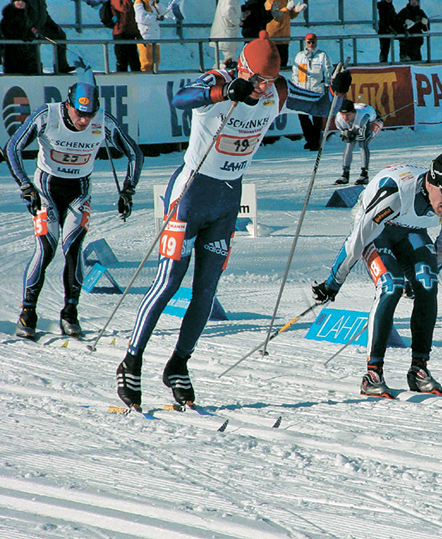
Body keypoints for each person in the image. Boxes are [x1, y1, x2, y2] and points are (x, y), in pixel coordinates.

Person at [115, 31, 351, 412]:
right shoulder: (219, 80)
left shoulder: (279, 92)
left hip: (226, 199)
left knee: (206, 290)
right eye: (257, 80)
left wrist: (338, 91)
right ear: (243, 69)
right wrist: (223, 94)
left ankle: (178, 363)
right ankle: (132, 359)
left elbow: (323, 106)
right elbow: (179, 98)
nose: (262, 88)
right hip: (190, 195)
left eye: (268, 81)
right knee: (169, 281)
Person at [312, 150, 442, 398]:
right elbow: (357, 242)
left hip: (411, 231)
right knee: (391, 285)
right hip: (379, 229)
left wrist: (419, 281)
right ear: (431, 182)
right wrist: (333, 283)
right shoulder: (395, 193)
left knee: (428, 283)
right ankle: (372, 374)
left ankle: (419, 369)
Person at [4, 72, 143, 340]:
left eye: (89, 115)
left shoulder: (102, 121)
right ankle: (28, 312)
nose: (84, 120)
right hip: (46, 190)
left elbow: (134, 153)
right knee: (46, 247)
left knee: (73, 248)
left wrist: (127, 190)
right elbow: (12, 147)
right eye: (79, 114)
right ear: (68, 104)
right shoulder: (47, 115)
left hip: (79, 191)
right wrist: (25, 185)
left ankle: (70, 313)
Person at [291, 32, 332, 151]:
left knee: (316, 117)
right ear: (305, 42)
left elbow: (328, 71)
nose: (311, 44)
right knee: (302, 116)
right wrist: (296, 87)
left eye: (313, 42)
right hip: (303, 91)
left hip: (316, 91)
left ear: (316, 42)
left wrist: (325, 85)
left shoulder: (322, 56)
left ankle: (315, 142)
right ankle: (310, 139)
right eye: (309, 42)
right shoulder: (299, 56)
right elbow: (295, 73)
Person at [333, 99, 382, 185]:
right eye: (343, 115)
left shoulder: (363, 117)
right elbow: (345, 137)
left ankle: (364, 174)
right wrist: (346, 135)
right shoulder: (339, 119)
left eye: (348, 115)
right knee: (349, 145)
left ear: (354, 113)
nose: (345, 118)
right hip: (357, 124)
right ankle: (345, 174)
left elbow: (362, 137)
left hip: (373, 121)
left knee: (363, 144)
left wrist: (352, 134)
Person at [25, 0, 72, 73]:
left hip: (41, 26)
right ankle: (35, 68)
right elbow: (20, 14)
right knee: (32, 41)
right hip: (27, 29)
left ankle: (61, 66)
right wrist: (31, 27)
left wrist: (53, 25)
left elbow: (44, 13)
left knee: (59, 35)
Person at [1, 0, 40, 74]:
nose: (20, 3)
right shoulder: (8, 16)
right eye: (17, 0)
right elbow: (7, 31)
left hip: (30, 53)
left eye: (23, 1)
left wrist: (32, 34)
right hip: (12, 52)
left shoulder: (31, 15)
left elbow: (35, 28)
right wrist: (24, 35)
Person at [264, 0, 306, 68]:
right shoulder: (270, 1)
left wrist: (296, 11)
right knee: (272, 65)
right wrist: (287, 9)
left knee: (283, 64)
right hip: (273, 38)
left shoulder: (286, 1)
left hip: (284, 38)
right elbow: (275, 15)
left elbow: (289, 15)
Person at [109, 0, 141, 72]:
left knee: (134, 61)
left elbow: (132, 19)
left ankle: (137, 80)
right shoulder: (117, 1)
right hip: (120, 33)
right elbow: (124, 8)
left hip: (130, 33)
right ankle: (121, 81)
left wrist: (137, 33)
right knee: (122, 61)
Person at [209, 0, 241, 69]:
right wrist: (237, 21)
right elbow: (227, 12)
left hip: (227, 31)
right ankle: (222, 71)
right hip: (226, 32)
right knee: (229, 56)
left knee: (229, 55)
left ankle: (220, 70)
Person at [133, 0, 163, 71]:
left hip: (155, 37)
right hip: (145, 37)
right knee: (146, 62)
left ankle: (155, 76)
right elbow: (141, 18)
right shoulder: (139, 2)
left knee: (156, 61)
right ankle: (145, 78)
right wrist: (155, 18)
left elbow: (164, 13)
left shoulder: (152, 4)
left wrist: (158, 4)